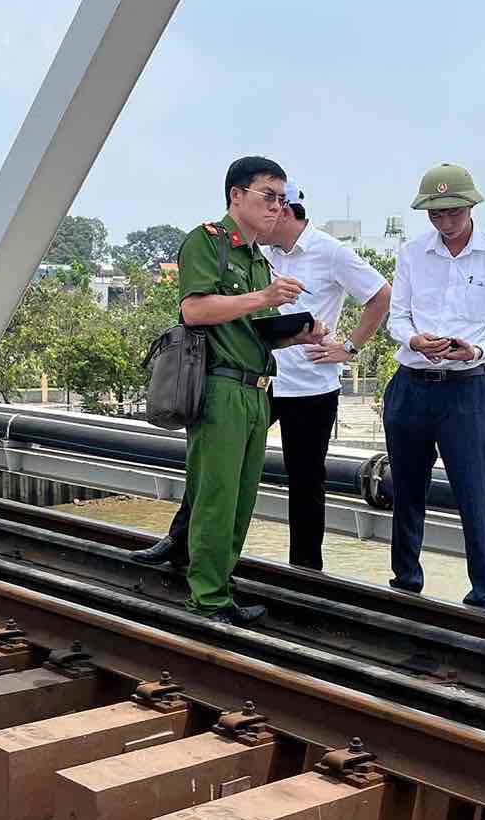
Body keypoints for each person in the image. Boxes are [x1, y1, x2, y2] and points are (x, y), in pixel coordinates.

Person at [133, 180, 391, 573]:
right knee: (215, 464)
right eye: (264, 200)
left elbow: (381, 294)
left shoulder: (331, 252)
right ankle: (180, 543)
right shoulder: (256, 252)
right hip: (259, 379)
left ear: (286, 211)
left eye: (274, 204)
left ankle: (305, 570)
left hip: (310, 385)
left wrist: (349, 347)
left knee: (306, 480)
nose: (265, 215)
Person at [168, 157, 325, 624]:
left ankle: (220, 585)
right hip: (221, 385)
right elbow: (195, 310)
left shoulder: (257, 258)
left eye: (282, 199)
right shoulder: (208, 242)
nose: (277, 207)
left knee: (240, 498)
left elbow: (256, 331)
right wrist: (266, 297)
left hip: (257, 387)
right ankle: (207, 598)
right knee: (216, 495)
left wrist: (300, 335)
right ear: (236, 195)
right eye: (268, 196)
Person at [383, 163, 485, 612]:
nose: (445, 222)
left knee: (475, 494)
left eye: (453, 212)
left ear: (471, 206)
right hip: (411, 386)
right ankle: (405, 584)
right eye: (435, 214)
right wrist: (414, 340)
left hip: (466, 392)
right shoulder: (411, 254)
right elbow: (397, 317)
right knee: (406, 491)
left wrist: (476, 350)